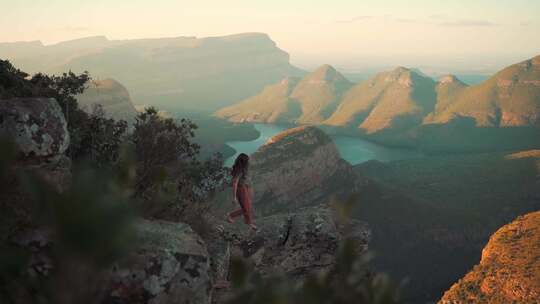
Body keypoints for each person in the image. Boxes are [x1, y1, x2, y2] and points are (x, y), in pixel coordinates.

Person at [226, 153, 257, 231]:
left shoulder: (241, 168)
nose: (248, 162)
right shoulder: (239, 170)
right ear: (244, 162)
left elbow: (243, 180)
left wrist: (248, 188)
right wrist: (234, 197)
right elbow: (235, 183)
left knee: (248, 206)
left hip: (244, 187)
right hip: (240, 189)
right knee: (246, 208)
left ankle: (233, 216)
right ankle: (247, 222)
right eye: (247, 161)